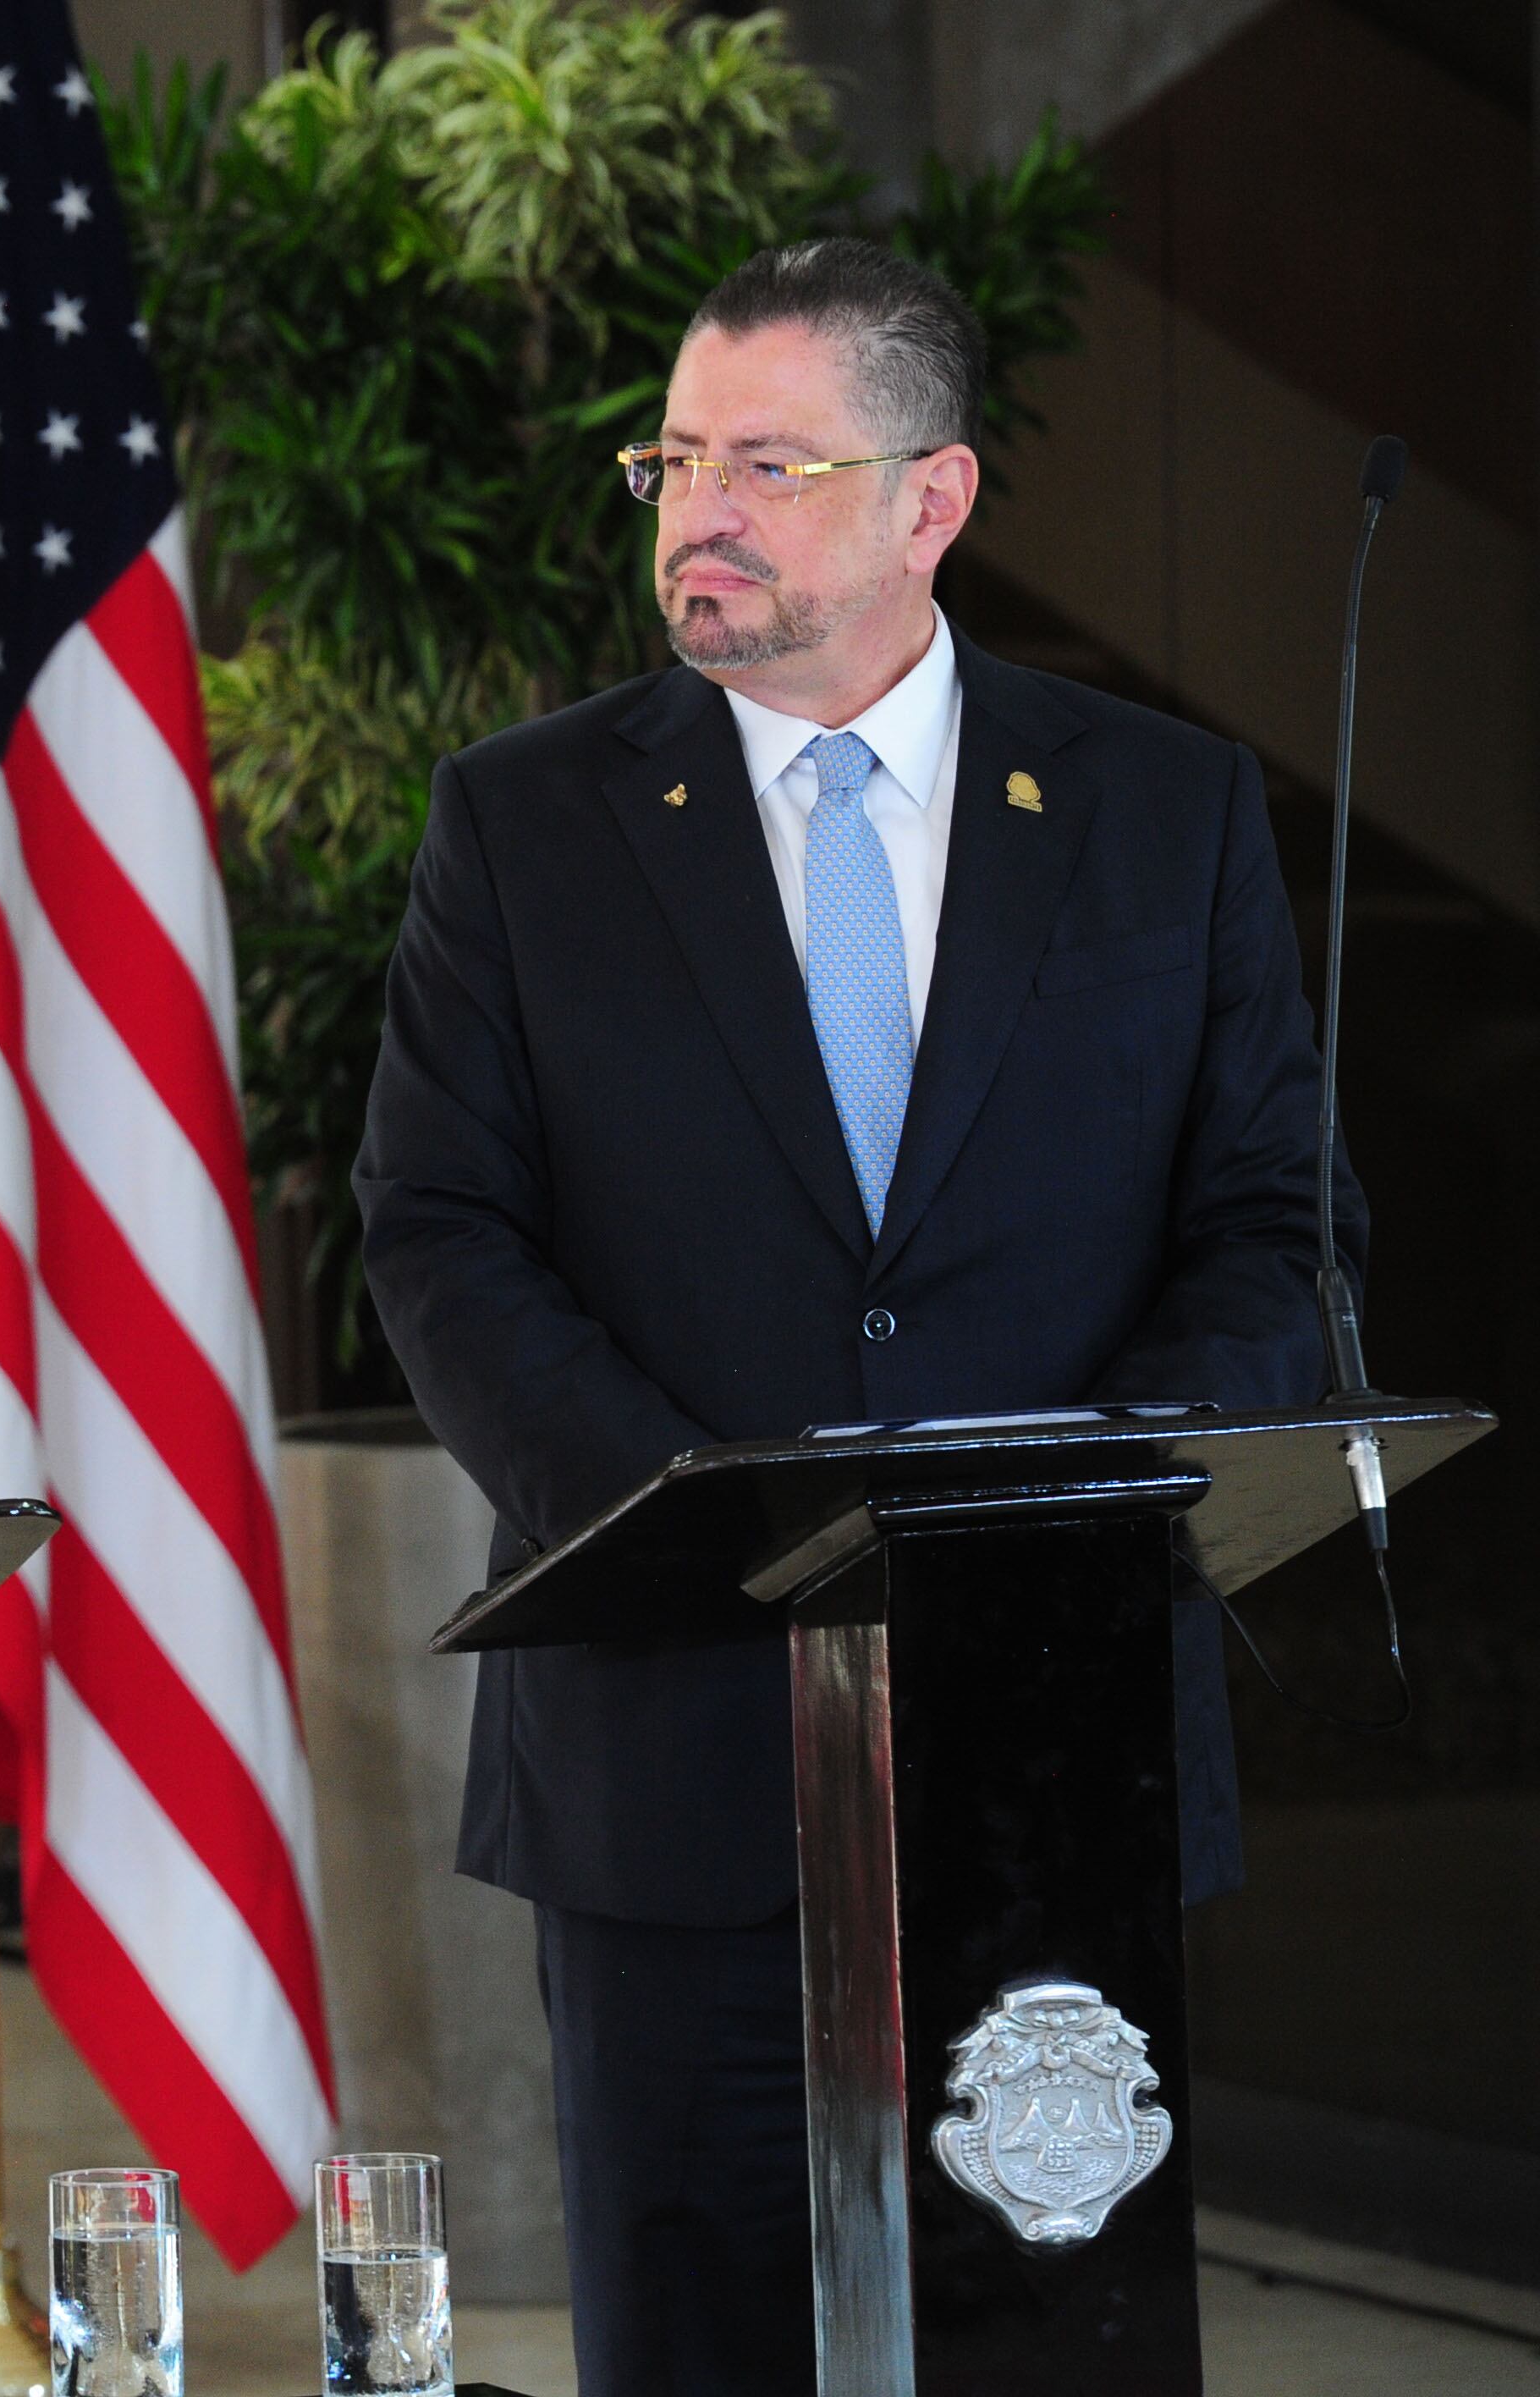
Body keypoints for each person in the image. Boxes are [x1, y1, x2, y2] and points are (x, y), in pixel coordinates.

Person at [352, 239, 1351, 2395]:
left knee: (1051, 2351)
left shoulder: (1159, 817)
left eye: (767, 463)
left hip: (1052, 1756)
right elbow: (437, 1232)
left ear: (932, 499)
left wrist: (1082, 1522)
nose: (694, 509)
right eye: (674, 457)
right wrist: (702, 1531)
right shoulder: (521, 828)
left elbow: (1275, 1227)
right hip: (669, 1760)